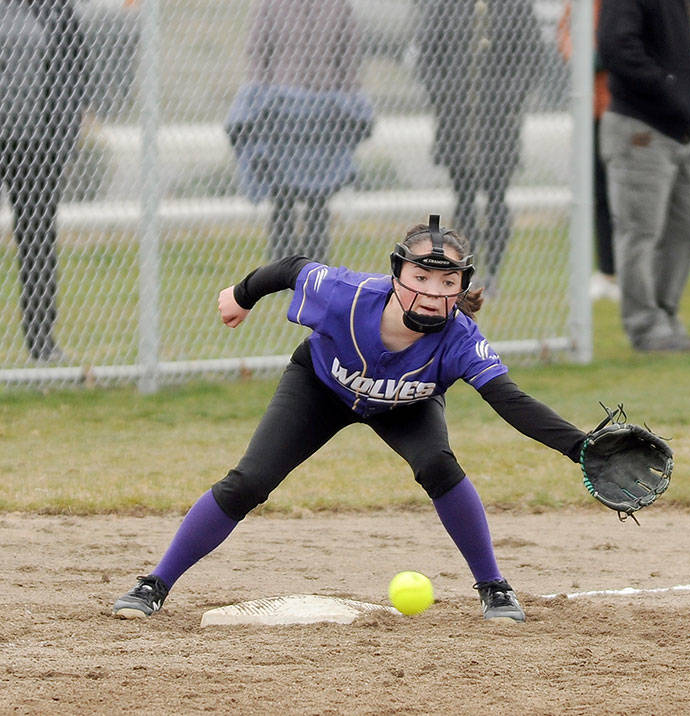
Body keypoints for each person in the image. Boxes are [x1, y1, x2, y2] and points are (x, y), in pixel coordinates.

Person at [112, 216, 594, 623]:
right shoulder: (348, 294)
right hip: (319, 386)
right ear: (396, 275)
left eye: (448, 283)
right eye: (420, 277)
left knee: (438, 465)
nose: (432, 293)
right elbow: (290, 268)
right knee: (248, 481)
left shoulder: (460, 338)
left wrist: (581, 447)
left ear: (461, 287)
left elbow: (510, 399)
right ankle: (155, 583)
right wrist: (241, 295)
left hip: (407, 404)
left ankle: (494, 587)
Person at [598, 0, 690, 352]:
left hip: (683, 129)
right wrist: (670, 88)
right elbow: (616, 46)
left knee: (685, 232)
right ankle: (645, 327)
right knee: (639, 232)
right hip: (641, 129)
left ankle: (666, 320)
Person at [226, 0, 373, 264]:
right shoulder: (269, 5)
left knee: (320, 198)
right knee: (283, 195)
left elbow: (349, 58)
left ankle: (316, 268)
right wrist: (264, 99)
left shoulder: (338, 6)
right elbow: (258, 55)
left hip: (324, 115)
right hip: (282, 114)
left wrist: (346, 101)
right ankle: (281, 269)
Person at [414, 0, 541, 292]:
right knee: (464, 198)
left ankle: (493, 273)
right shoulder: (445, 6)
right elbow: (427, 55)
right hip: (457, 121)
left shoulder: (515, 7)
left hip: (500, 122)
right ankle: (463, 272)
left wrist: (509, 98)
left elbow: (532, 57)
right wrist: (444, 95)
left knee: (497, 197)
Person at [0, 0, 87, 362]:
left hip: (36, 144)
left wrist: (60, 142)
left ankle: (41, 343)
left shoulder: (56, 10)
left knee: (37, 239)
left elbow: (75, 77)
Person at [556, 0, 618, 302]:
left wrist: (609, 55)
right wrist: (582, 59)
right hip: (592, 110)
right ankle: (607, 271)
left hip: (629, 110)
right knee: (599, 193)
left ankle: (631, 273)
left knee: (631, 198)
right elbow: (565, 32)